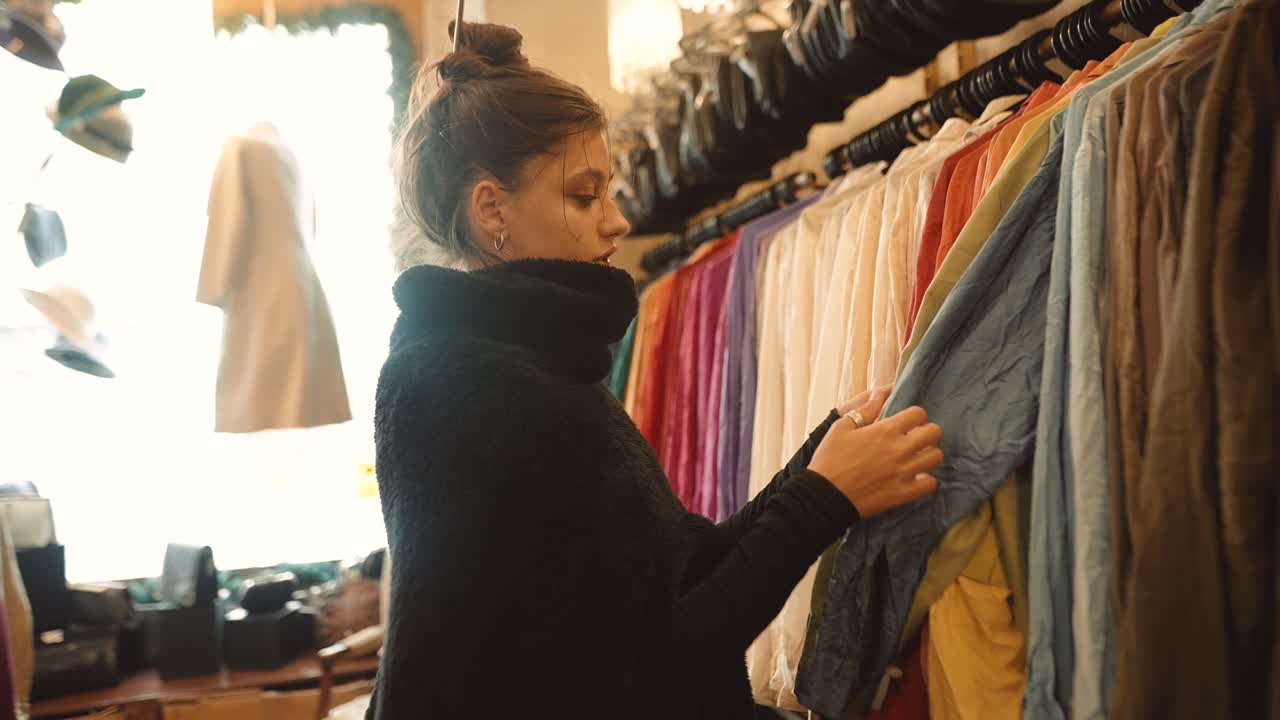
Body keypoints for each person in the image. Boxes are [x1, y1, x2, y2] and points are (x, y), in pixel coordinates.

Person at [370, 21, 943, 719]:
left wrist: (814, 465)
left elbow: (679, 572)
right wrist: (824, 498)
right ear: (493, 208)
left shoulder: (517, 359)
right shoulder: (476, 386)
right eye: (585, 196)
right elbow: (655, 661)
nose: (617, 221)